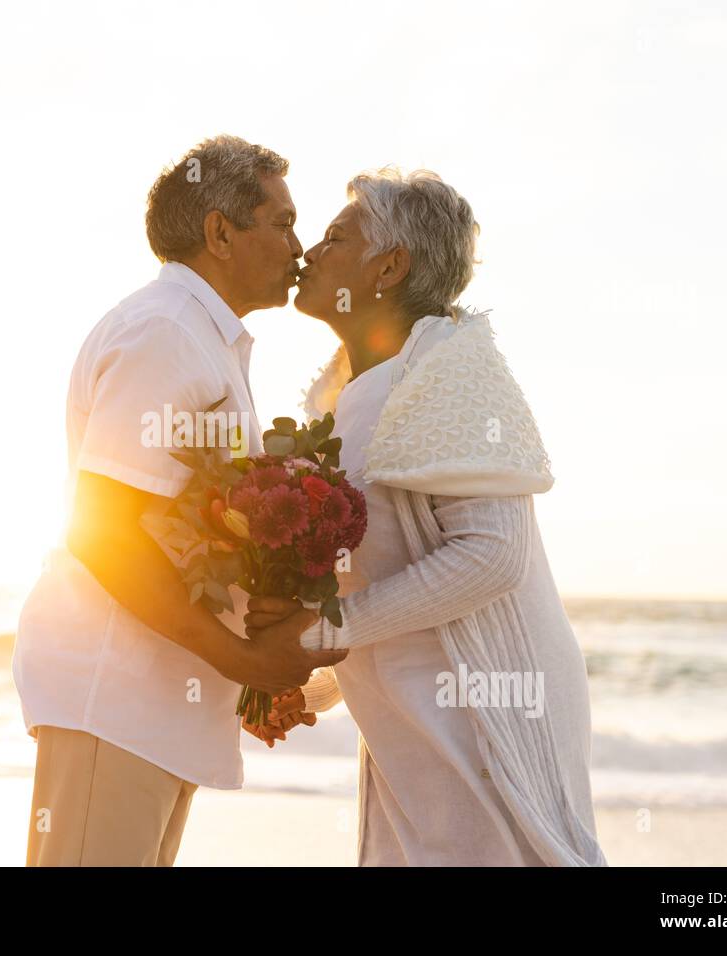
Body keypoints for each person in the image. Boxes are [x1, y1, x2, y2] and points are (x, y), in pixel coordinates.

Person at [246, 167, 605, 866]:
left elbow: (493, 556)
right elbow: (385, 582)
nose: (310, 253)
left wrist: (320, 634)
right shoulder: (347, 397)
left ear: (390, 267)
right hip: (403, 715)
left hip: (484, 709)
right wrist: (311, 684)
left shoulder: (450, 375)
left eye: (335, 239)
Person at [12, 135, 348, 866]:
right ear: (220, 233)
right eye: (283, 223)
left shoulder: (202, 337)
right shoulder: (164, 332)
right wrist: (243, 660)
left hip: (152, 708)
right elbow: (103, 532)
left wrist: (248, 673)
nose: (299, 246)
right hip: (117, 698)